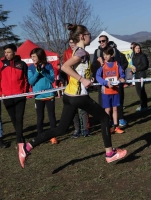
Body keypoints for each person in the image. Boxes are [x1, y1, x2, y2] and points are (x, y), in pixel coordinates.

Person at [17, 24, 127, 168]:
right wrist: (82, 80)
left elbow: (80, 71)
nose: (90, 36)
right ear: (82, 36)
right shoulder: (80, 52)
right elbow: (65, 67)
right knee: (105, 118)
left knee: (61, 129)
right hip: (78, 96)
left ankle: (27, 147)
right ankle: (109, 153)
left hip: (69, 95)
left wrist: (90, 74)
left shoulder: (80, 52)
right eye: (88, 34)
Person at [0, 43, 28, 145]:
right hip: (7, 96)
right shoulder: (1, 64)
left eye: (8, 52)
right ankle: (20, 136)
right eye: (5, 52)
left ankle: (19, 141)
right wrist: (0, 93)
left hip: (20, 96)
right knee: (13, 118)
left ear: (14, 52)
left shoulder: (22, 64)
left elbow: (26, 79)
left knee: (19, 117)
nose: (6, 54)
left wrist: (25, 92)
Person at [91, 35, 128, 127]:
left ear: (107, 41)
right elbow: (94, 68)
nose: (101, 43)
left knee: (117, 103)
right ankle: (107, 121)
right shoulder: (97, 52)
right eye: (99, 41)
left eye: (103, 41)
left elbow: (122, 62)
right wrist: (99, 64)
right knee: (105, 105)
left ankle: (120, 119)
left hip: (116, 84)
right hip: (104, 85)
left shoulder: (114, 51)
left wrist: (122, 73)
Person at [28, 48, 58, 144]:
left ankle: (53, 136)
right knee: (40, 117)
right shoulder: (30, 68)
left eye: (34, 56)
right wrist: (37, 72)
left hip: (49, 95)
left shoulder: (48, 66)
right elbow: (31, 81)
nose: (32, 58)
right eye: (31, 56)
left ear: (39, 56)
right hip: (38, 96)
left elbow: (52, 79)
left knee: (51, 116)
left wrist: (43, 71)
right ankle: (40, 137)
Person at [96, 46, 125, 134]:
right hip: (106, 91)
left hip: (115, 91)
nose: (105, 56)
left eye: (107, 55)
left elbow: (122, 74)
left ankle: (116, 127)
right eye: (104, 55)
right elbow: (98, 76)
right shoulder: (102, 66)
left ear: (111, 55)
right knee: (107, 110)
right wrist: (105, 83)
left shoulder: (117, 64)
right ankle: (107, 127)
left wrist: (122, 78)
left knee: (115, 109)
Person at [132, 43, 148, 112]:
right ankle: (142, 104)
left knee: (141, 90)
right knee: (138, 91)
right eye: (136, 48)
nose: (138, 49)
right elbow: (134, 66)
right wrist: (132, 71)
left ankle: (144, 105)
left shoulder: (142, 56)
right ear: (134, 49)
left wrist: (137, 69)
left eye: (139, 48)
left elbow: (145, 65)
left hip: (141, 75)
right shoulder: (133, 57)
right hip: (136, 76)